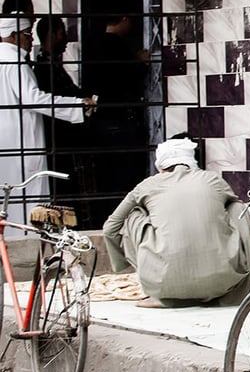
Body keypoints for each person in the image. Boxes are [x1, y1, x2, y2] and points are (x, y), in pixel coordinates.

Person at [103, 137, 250, 308]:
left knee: (133, 215)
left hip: (162, 282)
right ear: (192, 162)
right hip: (223, 282)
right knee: (237, 208)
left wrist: (121, 264)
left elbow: (110, 227)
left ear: (160, 166)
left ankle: (159, 284)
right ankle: (220, 285)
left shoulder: (147, 185)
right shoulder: (213, 180)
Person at [0, 15, 93, 224]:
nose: (31, 40)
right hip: (23, 143)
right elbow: (34, 99)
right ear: (14, 36)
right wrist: (77, 106)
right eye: (27, 35)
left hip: (6, 146)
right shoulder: (14, 63)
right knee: (29, 204)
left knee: (9, 202)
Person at [82, 14, 150, 225]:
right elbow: (128, 78)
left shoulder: (91, 45)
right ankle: (125, 220)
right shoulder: (118, 46)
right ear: (124, 19)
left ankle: (106, 219)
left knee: (106, 174)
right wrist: (141, 62)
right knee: (125, 174)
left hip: (101, 119)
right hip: (120, 119)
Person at [33, 16, 84, 192]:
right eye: (62, 33)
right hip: (57, 140)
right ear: (52, 35)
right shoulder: (43, 69)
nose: (66, 39)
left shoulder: (51, 66)